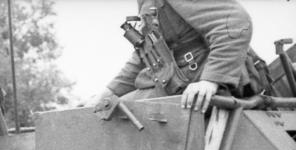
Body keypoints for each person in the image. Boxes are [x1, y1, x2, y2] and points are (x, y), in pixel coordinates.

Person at [99, 0, 253, 113]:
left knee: (120, 114)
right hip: (171, 83)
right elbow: (147, 51)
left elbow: (235, 21)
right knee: (109, 110)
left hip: (194, 82)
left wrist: (210, 81)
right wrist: (109, 92)